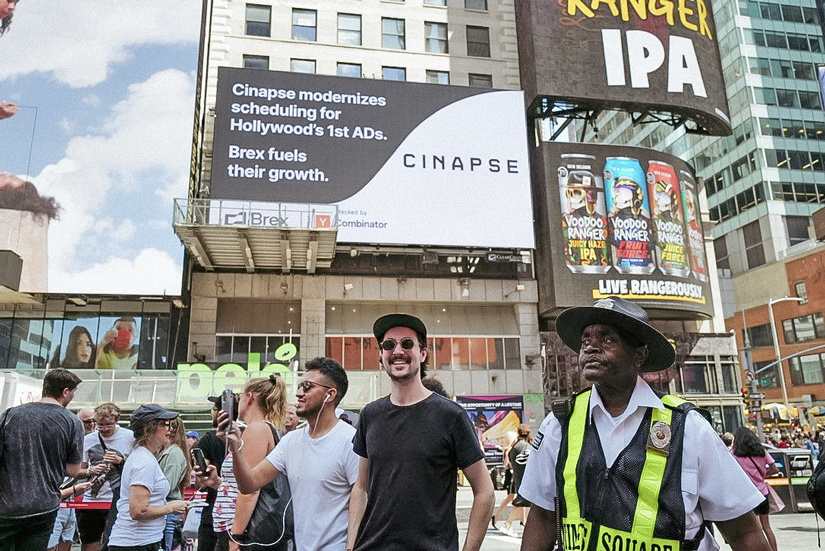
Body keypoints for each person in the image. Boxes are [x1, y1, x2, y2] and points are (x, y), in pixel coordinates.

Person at [519, 296, 771, 551]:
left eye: (607, 339)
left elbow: (744, 533)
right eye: (586, 339)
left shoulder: (687, 427)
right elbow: (542, 518)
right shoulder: (559, 424)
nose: (590, 348)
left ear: (638, 355)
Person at [347, 313, 494, 551]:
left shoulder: (450, 415)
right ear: (381, 356)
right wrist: (350, 545)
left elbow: (485, 491)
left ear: (422, 353)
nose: (397, 351)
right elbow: (361, 487)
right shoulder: (370, 415)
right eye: (388, 345)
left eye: (407, 344)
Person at [217, 357, 359, 551]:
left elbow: (361, 499)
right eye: (300, 386)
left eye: (308, 386)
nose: (299, 393)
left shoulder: (350, 440)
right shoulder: (291, 441)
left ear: (330, 394)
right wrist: (235, 447)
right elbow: (249, 484)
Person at [0, 368, 84, 550]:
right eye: (72, 393)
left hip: (6, 506)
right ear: (65, 391)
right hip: (43, 507)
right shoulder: (72, 422)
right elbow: (73, 471)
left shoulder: (9, 414)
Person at [211, 376, 287, 551]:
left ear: (249, 397)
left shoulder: (257, 429)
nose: (238, 402)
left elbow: (250, 489)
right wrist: (217, 483)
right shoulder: (260, 429)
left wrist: (235, 536)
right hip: (236, 527)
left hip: (241, 530)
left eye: (239, 396)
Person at [107, 404, 187, 551]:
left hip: (140, 541)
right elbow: (138, 511)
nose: (170, 429)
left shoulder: (144, 456)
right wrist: (170, 507)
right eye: (165, 424)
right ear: (149, 430)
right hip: (135, 543)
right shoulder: (143, 461)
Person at [76, 403, 134, 551]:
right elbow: (78, 471)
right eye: (100, 425)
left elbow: (138, 467)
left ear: (117, 420)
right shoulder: (89, 439)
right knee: (90, 542)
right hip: (92, 500)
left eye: (109, 424)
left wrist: (120, 461)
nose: (105, 429)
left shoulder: (129, 437)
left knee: (114, 542)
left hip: (118, 499)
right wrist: (91, 470)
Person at [731, 427, 781, 551]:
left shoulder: (734, 454)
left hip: (746, 495)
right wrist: (763, 474)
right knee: (766, 527)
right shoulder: (762, 452)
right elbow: (775, 469)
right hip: (762, 493)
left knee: (751, 530)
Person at [194, 397, 228, 551]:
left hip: (213, 510)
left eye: (214, 409)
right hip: (239, 514)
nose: (211, 414)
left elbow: (201, 483)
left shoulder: (208, 439)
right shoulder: (247, 436)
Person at [159, 417, 192, 551]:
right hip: (167, 507)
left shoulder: (173, 453)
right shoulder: (167, 451)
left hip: (169, 507)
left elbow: (168, 485)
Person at [499, 424, 532, 538]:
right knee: (522, 503)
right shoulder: (525, 446)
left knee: (522, 502)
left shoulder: (514, 449)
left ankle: (525, 523)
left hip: (519, 479)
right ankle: (507, 524)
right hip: (526, 480)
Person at [492, 431, 517, 530]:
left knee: (515, 498)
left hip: (510, 475)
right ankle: (496, 516)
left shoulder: (507, 449)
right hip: (511, 475)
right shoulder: (509, 450)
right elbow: (507, 465)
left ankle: (523, 520)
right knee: (512, 498)